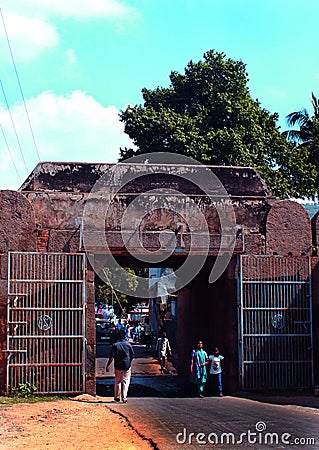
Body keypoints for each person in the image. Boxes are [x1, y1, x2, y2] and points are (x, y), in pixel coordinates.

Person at [105, 329, 134, 403]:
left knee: (117, 381)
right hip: (126, 365)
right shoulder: (128, 345)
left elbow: (111, 357)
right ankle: (124, 397)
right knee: (125, 381)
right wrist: (129, 362)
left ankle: (117, 397)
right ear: (125, 336)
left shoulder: (115, 345)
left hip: (118, 365)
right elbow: (132, 355)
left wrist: (108, 365)